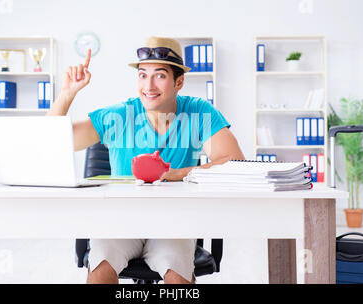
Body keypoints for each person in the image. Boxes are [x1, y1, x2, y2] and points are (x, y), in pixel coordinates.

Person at [47, 36, 245, 284]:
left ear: (179, 82)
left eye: (160, 75)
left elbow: (233, 161)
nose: (148, 85)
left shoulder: (198, 112)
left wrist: (178, 173)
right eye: (142, 75)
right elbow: (51, 142)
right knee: (100, 272)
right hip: (121, 220)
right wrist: (67, 94)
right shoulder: (118, 115)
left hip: (172, 222)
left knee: (178, 278)